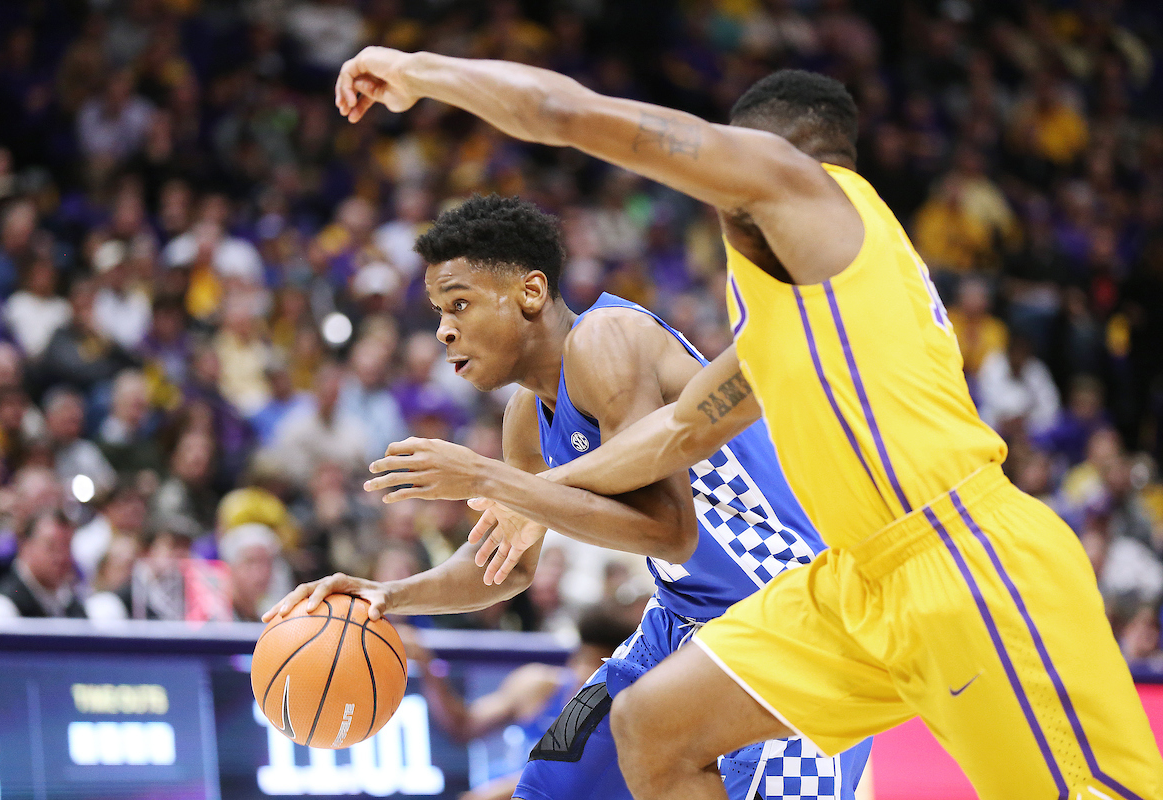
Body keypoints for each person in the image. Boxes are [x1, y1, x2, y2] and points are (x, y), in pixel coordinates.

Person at [331, 49, 1162, 799]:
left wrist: (421, 72)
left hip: (964, 559)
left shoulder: (798, 188)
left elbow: (566, 114)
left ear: (784, 152)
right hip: (847, 589)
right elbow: (679, 434)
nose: (722, 188)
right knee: (649, 728)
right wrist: (514, 493)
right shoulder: (794, 312)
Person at [269, 195, 871, 800]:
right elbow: (506, 566)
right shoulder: (526, 417)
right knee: (552, 787)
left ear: (531, 292)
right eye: (437, 311)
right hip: (682, 621)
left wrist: (489, 480)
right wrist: (389, 595)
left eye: (460, 303)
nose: (444, 328)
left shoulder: (606, 339)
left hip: (790, 611)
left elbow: (669, 530)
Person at [407, 607, 636, 800]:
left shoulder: (621, 716)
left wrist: (483, 796)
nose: (585, 675)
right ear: (573, 659)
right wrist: (427, 664)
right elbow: (462, 726)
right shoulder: (537, 685)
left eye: (598, 669)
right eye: (583, 662)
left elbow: (554, 779)